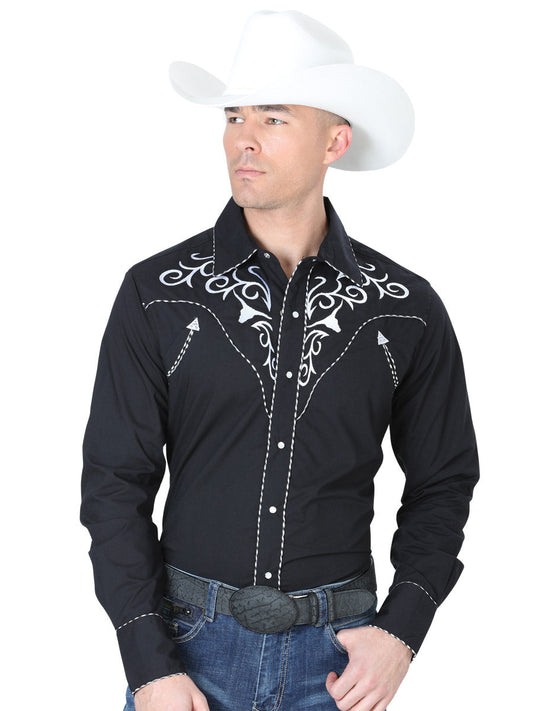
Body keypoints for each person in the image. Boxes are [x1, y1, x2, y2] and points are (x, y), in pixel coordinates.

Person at [80, 10, 479, 711]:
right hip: (186, 654)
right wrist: (148, 663)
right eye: (234, 116)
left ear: (335, 141)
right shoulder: (159, 294)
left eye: (273, 117)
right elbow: (114, 483)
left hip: (340, 662)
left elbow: (443, 481)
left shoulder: (403, 308)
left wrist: (402, 631)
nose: (245, 138)